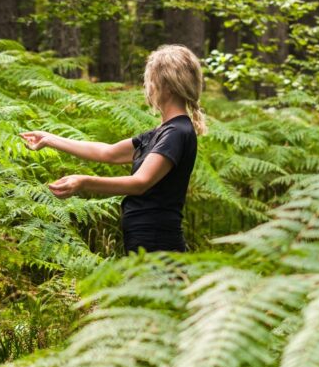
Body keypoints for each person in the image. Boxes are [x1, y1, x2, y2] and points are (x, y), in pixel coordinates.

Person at [19, 44, 206, 253]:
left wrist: (83, 182)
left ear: (167, 85)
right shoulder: (163, 131)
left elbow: (139, 183)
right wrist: (49, 138)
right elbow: (108, 153)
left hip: (157, 240)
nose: (148, 87)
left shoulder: (177, 132)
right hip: (146, 238)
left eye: (151, 81)